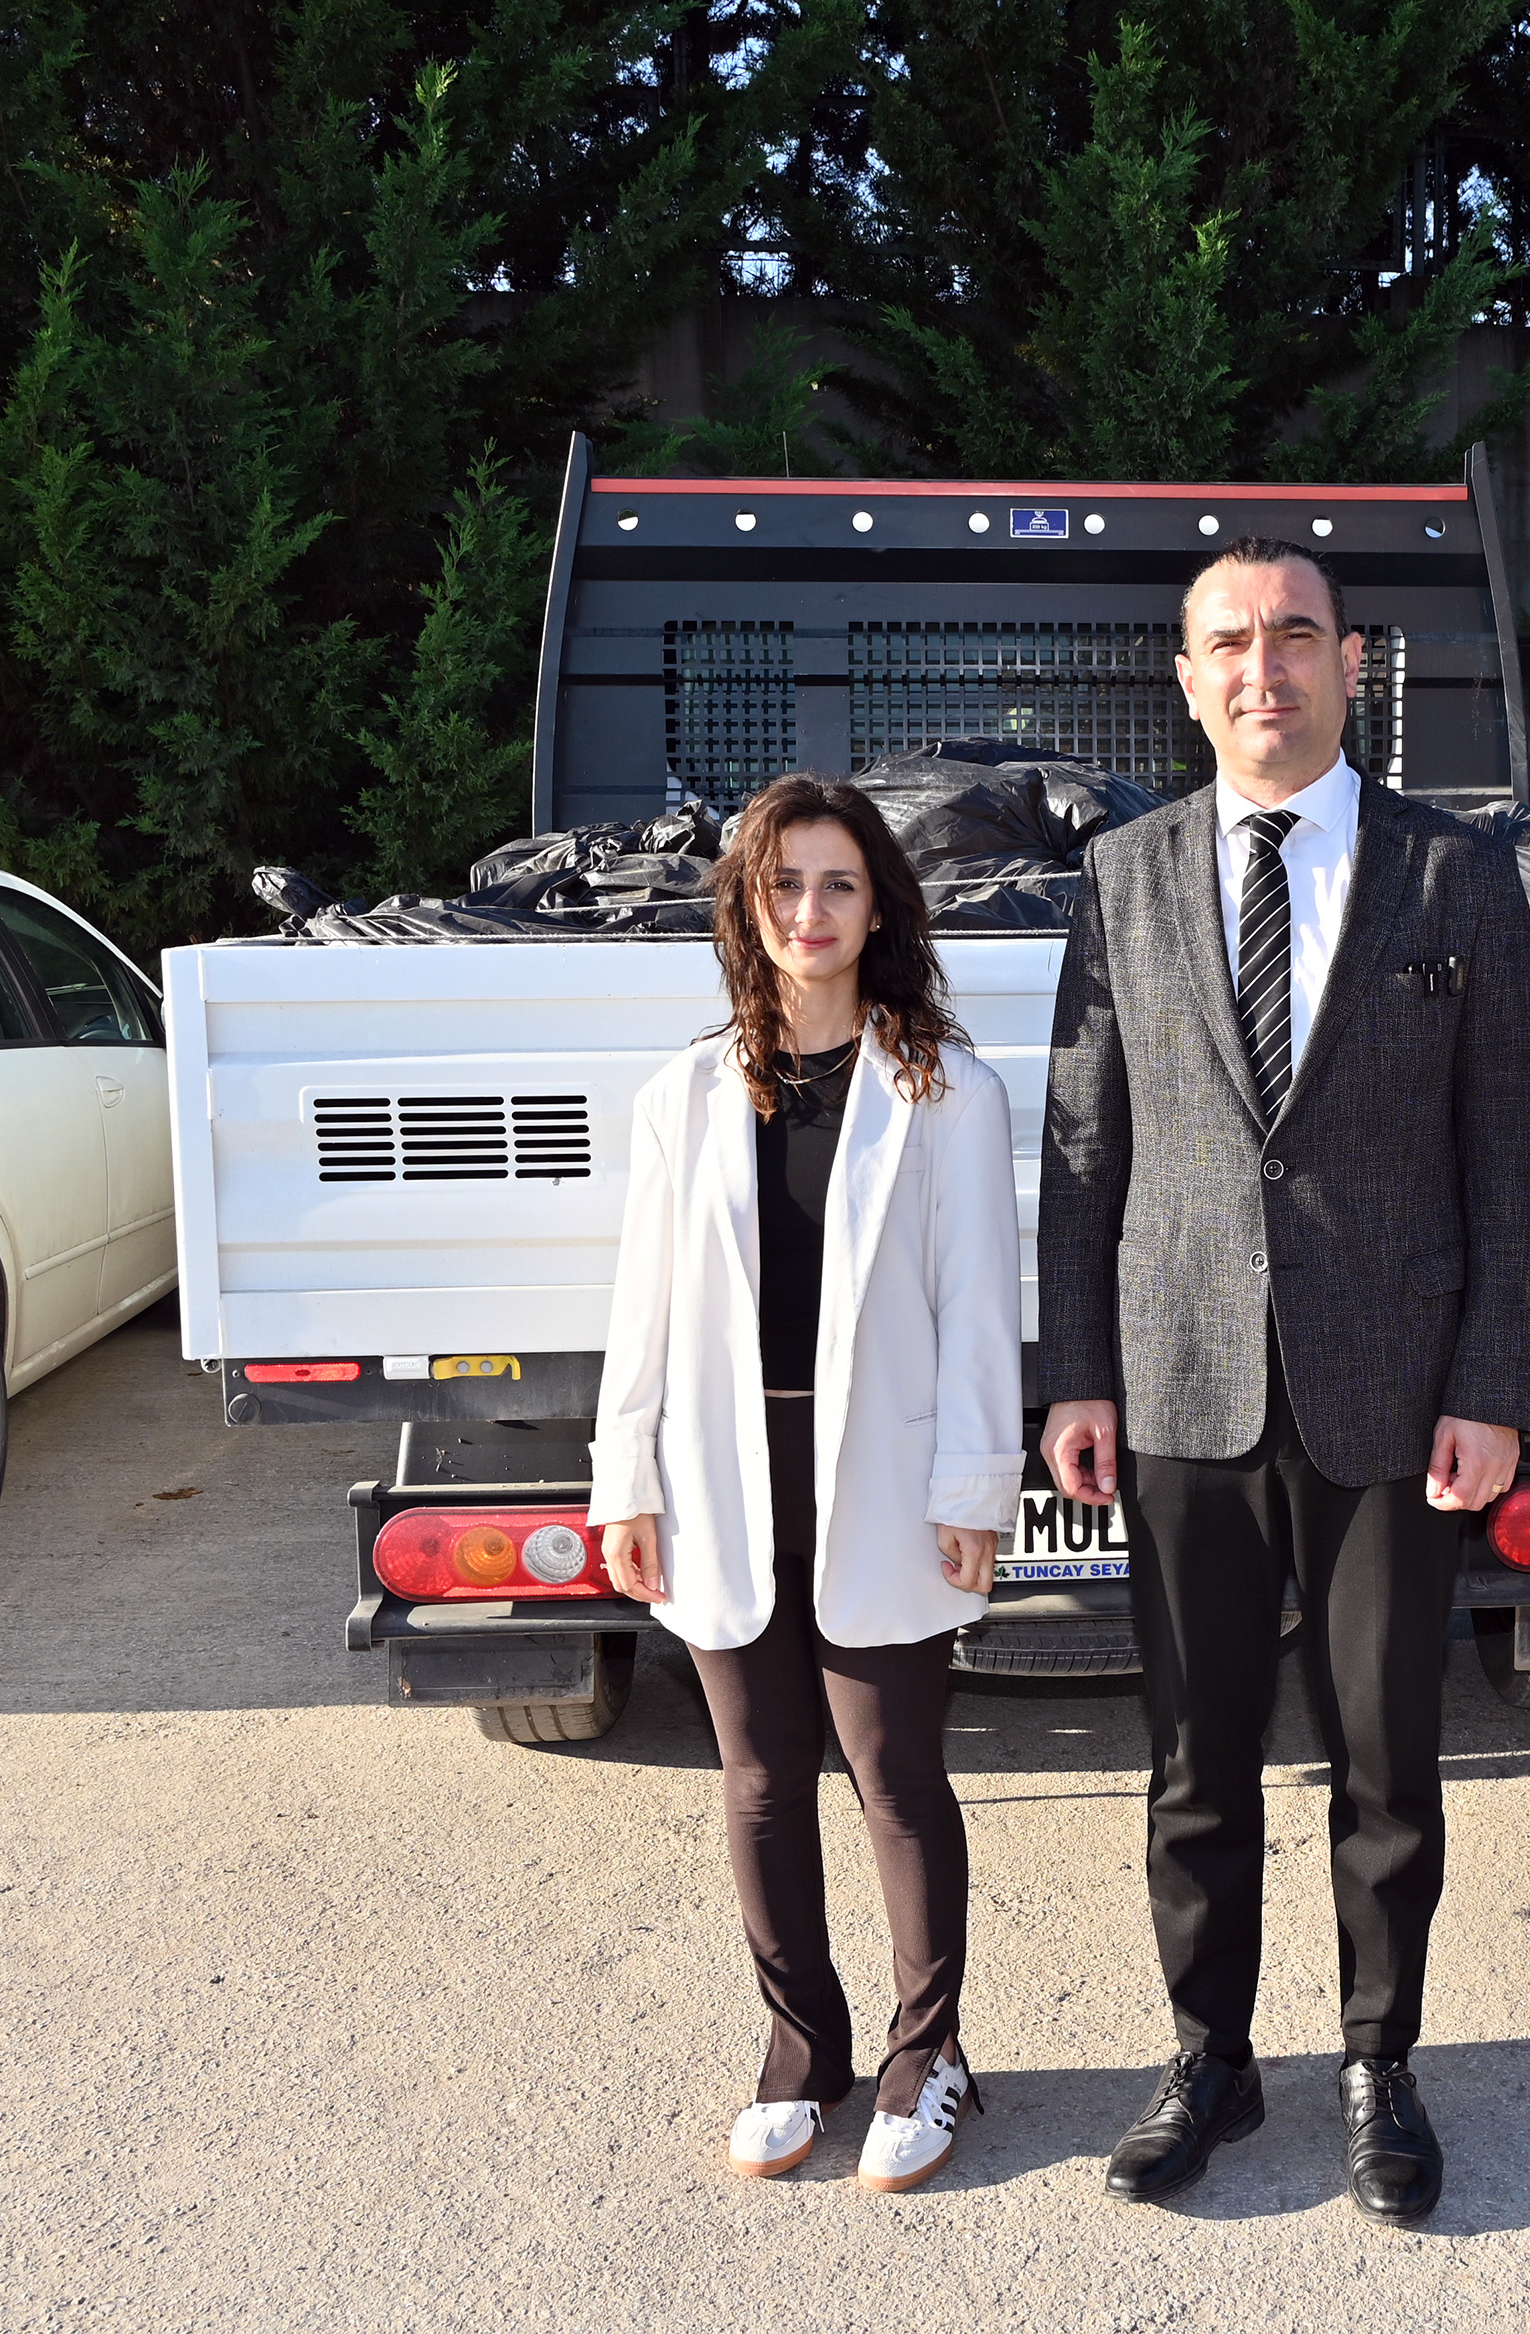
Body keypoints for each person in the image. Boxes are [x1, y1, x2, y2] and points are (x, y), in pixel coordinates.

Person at [1038, 540, 1530, 2224]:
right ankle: (1210, 2056)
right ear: (1187, 680)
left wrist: (1491, 1382)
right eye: (1232, 642)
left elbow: (1506, 1153)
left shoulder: (1455, 875)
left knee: (1385, 1756)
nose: (1267, 667)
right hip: (1182, 1386)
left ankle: (1379, 2059)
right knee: (1194, 1757)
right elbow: (1084, 1147)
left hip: (1391, 1392)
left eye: (1298, 635)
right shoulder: (1122, 875)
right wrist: (1078, 1373)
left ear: (1351, 663)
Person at [587, 775, 1026, 2193]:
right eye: (784, 884)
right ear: (747, 906)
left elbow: (978, 1308)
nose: (811, 910)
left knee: (895, 1773)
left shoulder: (949, 1092)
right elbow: (643, 1306)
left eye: (840, 882)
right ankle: (802, 2047)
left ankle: (925, 2054)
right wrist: (625, 1479)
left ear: (880, 905)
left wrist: (974, 1484)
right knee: (763, 1778)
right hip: (725, 1469)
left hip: (884, 1471)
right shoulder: (683, 1095)